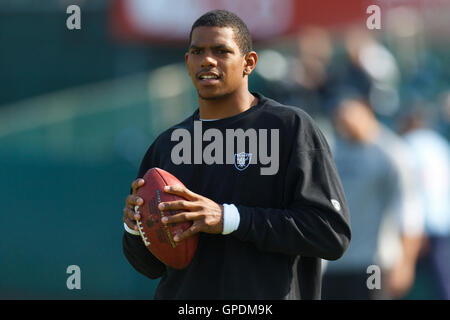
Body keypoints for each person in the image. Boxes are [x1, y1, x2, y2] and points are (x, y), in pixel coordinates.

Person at [122, 10, 351, 300]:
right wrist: (136, 226)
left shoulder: (290, 128)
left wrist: (229, 218)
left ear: (249, 63)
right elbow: (151, 267)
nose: (207, 60)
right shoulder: (168, 144)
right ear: (187, 62)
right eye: (197, 51)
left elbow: (330, 234)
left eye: (221, 51)